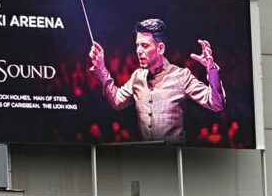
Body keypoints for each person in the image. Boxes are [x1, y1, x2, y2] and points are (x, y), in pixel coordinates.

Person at [88, 18, 224, 144]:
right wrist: (101, 67)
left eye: (144, 46)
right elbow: (116, 101)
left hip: (174, 160)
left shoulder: (181, 76)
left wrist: (211, 69)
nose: (138, 51)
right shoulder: (137, 77)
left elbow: (216, 104)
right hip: (146, 160)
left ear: (160, 48)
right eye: (137, 45)